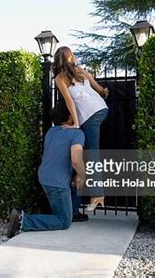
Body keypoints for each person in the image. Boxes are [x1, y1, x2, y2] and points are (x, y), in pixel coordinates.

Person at [6, 101, 86, 238]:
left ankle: (67, 210)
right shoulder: (76, 133)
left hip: (45, 177)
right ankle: (23, 220)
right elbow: (75, 159)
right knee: (64, 221)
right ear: (70, 116)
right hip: (57, 182)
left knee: (62, 205)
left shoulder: (51, 131)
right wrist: (83, 175)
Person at [52, 46, 109, 217]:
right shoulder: (81, 71)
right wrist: (105, 92)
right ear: (71, 58)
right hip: (102, 109)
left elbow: (69, 101)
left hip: (90, 116)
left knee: (92, 154)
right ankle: (78, 205)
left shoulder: (60, 78)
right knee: (83, 156)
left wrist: (76, 123)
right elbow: (99, 89)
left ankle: (98, 194)